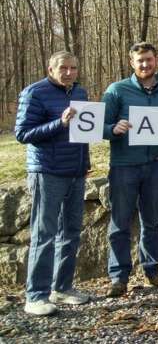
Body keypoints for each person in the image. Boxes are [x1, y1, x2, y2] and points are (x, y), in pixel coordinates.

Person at [15, 51, 91, 316]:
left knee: (70, 232)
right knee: (44, 234)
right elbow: (23, 133)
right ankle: (35, 295)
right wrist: (59, 123)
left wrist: (85, 164)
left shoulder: (80, 94)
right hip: (47, 172)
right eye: (63, 68)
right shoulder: (34, 93)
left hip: (76, 171)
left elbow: (84, 133)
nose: (69, 72)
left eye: (73, 68)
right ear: (51, 69)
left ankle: (62, 288)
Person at [102, 42, 158, 297]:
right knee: (120, 221)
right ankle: (119, 276)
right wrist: (113, 129)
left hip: (155, 165)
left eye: (149, 59)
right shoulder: (117, 91)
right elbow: (99, 126)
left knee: (151, 221)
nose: (145, 64)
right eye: (140, 61)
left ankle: (152, 269)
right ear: (131, 63)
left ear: (156, 60)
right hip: (124, 165)